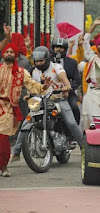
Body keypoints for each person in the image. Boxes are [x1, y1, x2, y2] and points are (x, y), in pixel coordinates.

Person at [9, 46, 83, 163]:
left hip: (58, 100)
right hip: (40, 102)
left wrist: (66, 87)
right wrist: (28, 94)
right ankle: (16, 152)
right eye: (36, 61)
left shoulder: (56, 67)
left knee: (71, 123)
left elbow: (65, 80)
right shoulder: (34, 71)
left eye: (41, 61)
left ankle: (85, 149)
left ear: (47, 59)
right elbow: (32, 87)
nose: (38, 63)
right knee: (26, 123)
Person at [0, 42, 52, 177]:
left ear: (15, 55)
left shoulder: (21, 72)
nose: (9, 54)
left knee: (3, 138)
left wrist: (44, 87)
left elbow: (32, 85)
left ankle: (4, 167)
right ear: (3, 54)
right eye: (7, 52)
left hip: (9, 109)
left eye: (12, 52)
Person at [50, 37, 81, 125]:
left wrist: (69, 88)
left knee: (75, 108)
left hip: (67, 94)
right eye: (56, 47)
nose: (59, 49)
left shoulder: (72, 62)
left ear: (65, 49)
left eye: (61, 47)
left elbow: (77, 79)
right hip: (49, 93)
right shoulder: (47, 61)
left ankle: (74, 134)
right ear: (53, 48)